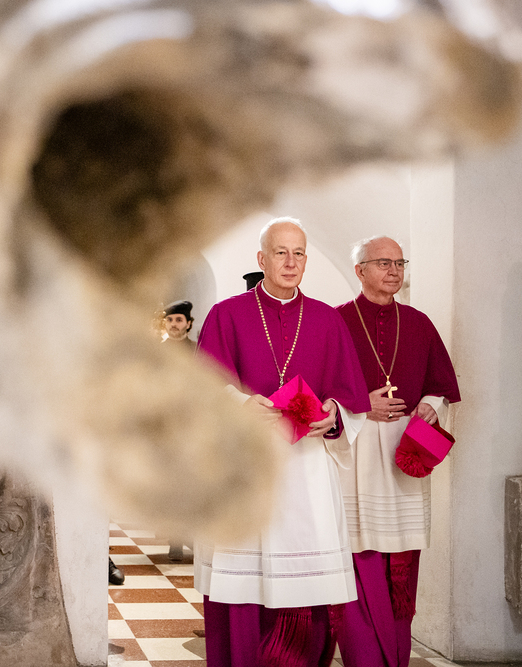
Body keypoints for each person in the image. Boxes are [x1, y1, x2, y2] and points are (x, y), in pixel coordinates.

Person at [194, 217, 370, 667]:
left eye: (299, 253)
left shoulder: (327, 319)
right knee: (242, 588)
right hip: (245, 465)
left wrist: (332, 414)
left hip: (307, 472)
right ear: (262, 258)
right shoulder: (227, 314)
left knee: (307, 588)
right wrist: (239, 403)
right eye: (280, 252)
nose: (291, 262)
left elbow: (350, 400)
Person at [334, 236, 461, 667]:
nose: (394, 271)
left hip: (404, 454)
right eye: (383, 263)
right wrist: (360, 404)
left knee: (401, 563)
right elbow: (319, 391)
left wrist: (431, 404)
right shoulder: (336, 321)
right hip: (355, 455)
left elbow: (442, 385)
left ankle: (395, 657)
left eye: (399, 263)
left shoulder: (419, 323)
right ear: (360, 271)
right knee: (357, 558)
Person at [161, 299, 195, 562]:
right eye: (170, 320)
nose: (174, 324)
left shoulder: (199, 352)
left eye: (179, 320)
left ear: (188, 324)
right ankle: (175, 540)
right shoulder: (156, 352)